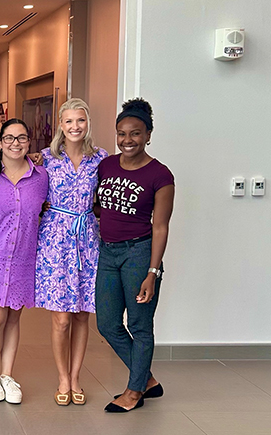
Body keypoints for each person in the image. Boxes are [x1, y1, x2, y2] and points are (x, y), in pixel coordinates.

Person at [95, 98, 174, 412]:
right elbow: (100, 205)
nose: (128, 140)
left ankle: (134, 391)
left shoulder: (160, 175)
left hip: (139, 253)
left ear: (149, 134)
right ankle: (147, 380)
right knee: (107, 323)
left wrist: (152, 273)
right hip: (107, 254)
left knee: (140, 326)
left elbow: (161, 227)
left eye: (136, 133)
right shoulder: (107, 165)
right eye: (122, 133)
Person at [34, 98, 108, 406]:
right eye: (69, 121)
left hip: (88, 239)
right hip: (55, 241)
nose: (75, 126)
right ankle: (62, 376)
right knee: (61, 319)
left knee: (81, 316)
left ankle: (76, 378)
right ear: (60, 126)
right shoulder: (46, 159)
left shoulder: (101, 159)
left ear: (87, 123)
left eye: (81, 120)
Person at [0, 119, 48, 404]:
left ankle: (7, 374)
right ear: (0, 141)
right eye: (9, 138)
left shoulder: (41, 177)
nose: (15, 143)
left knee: (14, 317)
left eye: (22, 138)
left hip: (24, 258)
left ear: (29, 142)